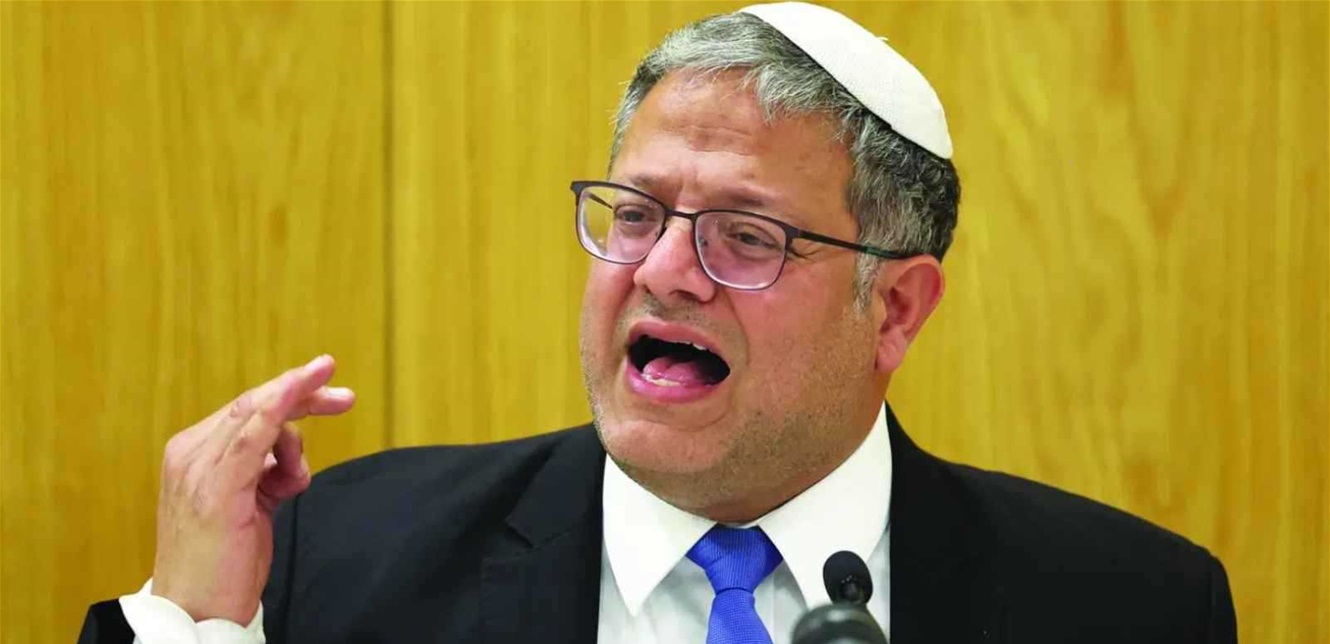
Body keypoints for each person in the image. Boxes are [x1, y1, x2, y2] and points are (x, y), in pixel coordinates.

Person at [79, 3, 1237, 643]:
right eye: (635, 213)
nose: (664, 271)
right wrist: (191, 621)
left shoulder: (1127, 607)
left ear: (892, 306)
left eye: (746, 233)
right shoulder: (340, 558)